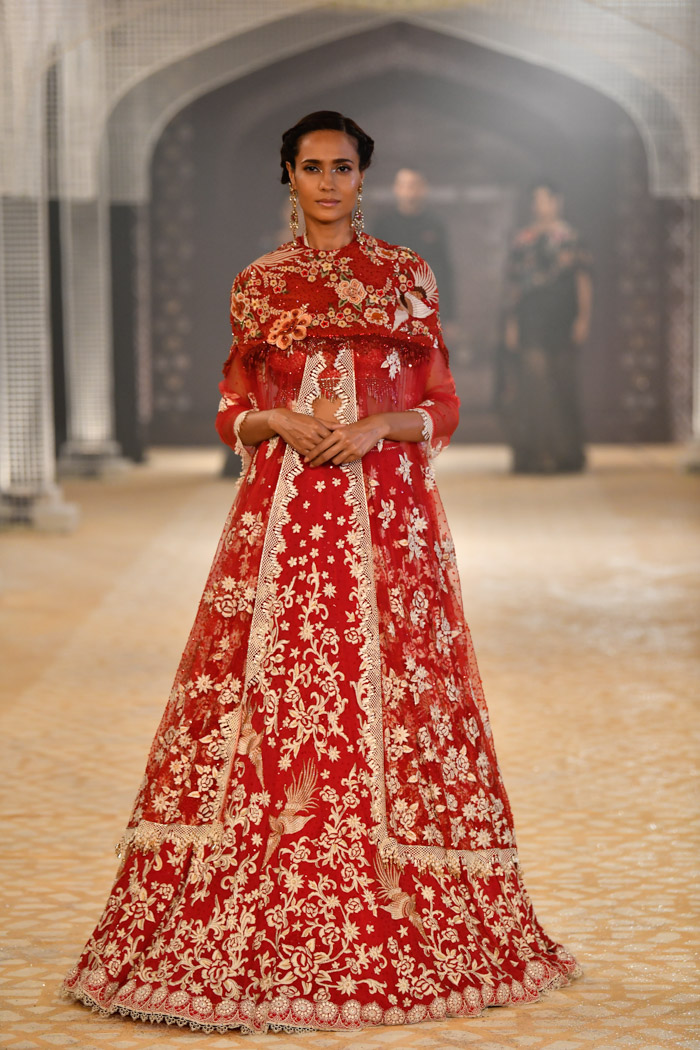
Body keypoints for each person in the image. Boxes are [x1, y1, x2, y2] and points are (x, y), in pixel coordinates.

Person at [61, 112, 580, 1034]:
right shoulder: (258, 285)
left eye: (343, 167)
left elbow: (444, 404)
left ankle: (398, 900)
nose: (329, 182)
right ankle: (263, 893)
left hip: (387, 524)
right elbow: (229, 408)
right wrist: (277, 422)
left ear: (363, 177)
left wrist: (381, 426)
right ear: (289, 177)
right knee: (279, 694)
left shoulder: (406, 276)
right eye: (313, 167)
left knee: (391, 693)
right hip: (283, 527)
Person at [497, 180, 593, 473]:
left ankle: (566, 455)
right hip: (530, 318)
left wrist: (583, 317)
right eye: (535, 200)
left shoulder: (571, 237)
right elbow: (513, 286)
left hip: (562, 317)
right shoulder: (522, 239)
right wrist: (511, 323)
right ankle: (533, 455)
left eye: (544, 199)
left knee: (562, 383)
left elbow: (583, 279)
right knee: (533, 385)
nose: (539, 205)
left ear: (557, 201)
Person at [374, 168, 456, 327]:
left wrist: (450, 316)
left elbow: (444, 270)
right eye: (404, 185)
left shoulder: (435, 225)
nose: (409, 191)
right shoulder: (383, 225)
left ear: (423, 189)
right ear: (396, 188)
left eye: (413, 185)